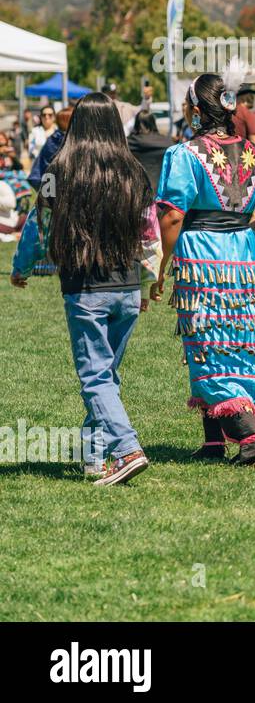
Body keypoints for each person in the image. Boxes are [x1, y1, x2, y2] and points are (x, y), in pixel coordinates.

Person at [10, 92, 161, 485]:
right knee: (106, 374)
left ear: (76, 124)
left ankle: (127, 449)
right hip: (127, 287)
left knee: (95, 376)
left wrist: (20, 266)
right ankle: (95, 459)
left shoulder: (58, 170)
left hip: (84, 288)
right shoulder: (134, 171)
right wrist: (147, 284)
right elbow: (150, 235)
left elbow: (37, 226)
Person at [151, 62, 255, 463]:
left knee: (209, 337)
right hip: (243, 254)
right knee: (232, 339)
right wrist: (244, 237)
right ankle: (214, 440)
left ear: (196, 111)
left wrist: (160, 265)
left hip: (201, 255)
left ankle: (249, 438)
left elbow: (173, 215)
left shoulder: (184, 154)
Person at [127, 110, 173, 191]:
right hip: (162, 193)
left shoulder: (129, 143)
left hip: (138, 192)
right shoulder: (168, 142)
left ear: (137, 124)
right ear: (153, 123)